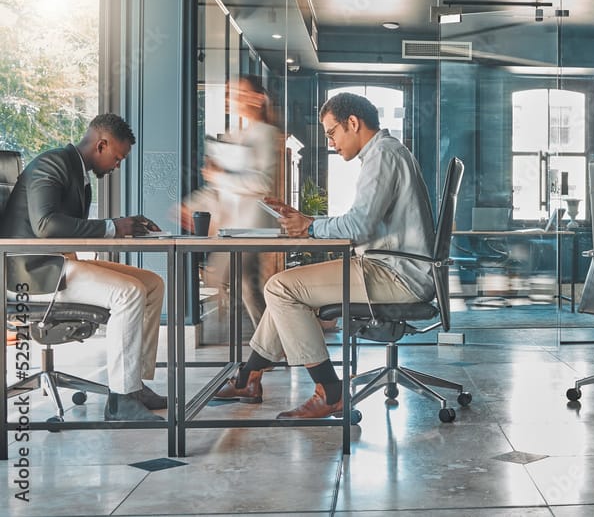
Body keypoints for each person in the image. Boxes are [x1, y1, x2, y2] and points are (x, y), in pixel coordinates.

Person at [213, 92, 435, 418]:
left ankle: (329, 392)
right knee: (284, 286)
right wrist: (307, 223)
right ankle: (249, 378)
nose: (331, 142)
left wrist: (310, 226)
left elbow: (358, 226)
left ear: (353, 123)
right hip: (392, 266)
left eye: (332, 132)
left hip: (398, 274)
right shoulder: (386, 154)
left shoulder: (382, 157)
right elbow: (365, 222)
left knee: (281, 288)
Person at [0, 113, 167, 421]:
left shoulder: (75, 170)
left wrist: (124, 225)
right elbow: (46, 225)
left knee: (152, 283)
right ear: (101, 144)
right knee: (128, 292)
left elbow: (67, 226)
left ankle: (133, 383)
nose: (117, 166)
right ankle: (122, 401)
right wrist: (112, 227)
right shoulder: (52, 164)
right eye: (117, 158)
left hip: (57, 263)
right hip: (32, 274)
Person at [181, 74, 281, 326]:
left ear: (258, 99)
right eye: (230, 92)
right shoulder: (234, 134)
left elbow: (263, 183)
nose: (231, 98)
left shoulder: (265, 134)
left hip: (252, 225)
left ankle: (272, 344)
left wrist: (221, 175)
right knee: (246, 285)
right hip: (232, 224)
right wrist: (192, 205)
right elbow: (218, 184)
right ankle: (272, 344)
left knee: (240, 282)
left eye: (238, 92)